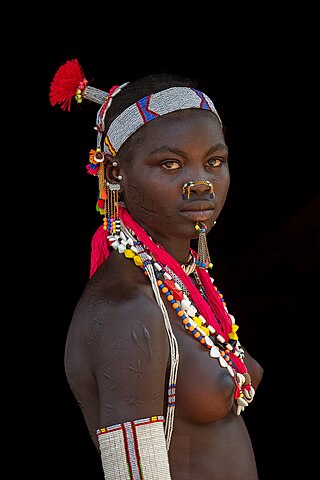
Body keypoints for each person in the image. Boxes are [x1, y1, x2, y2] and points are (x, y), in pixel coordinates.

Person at [50, 59, 264, 480]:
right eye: (170, 164)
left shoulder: (178, 283)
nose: (200, 183)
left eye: (214, 162)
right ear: (115, 174)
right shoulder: (126, 311)